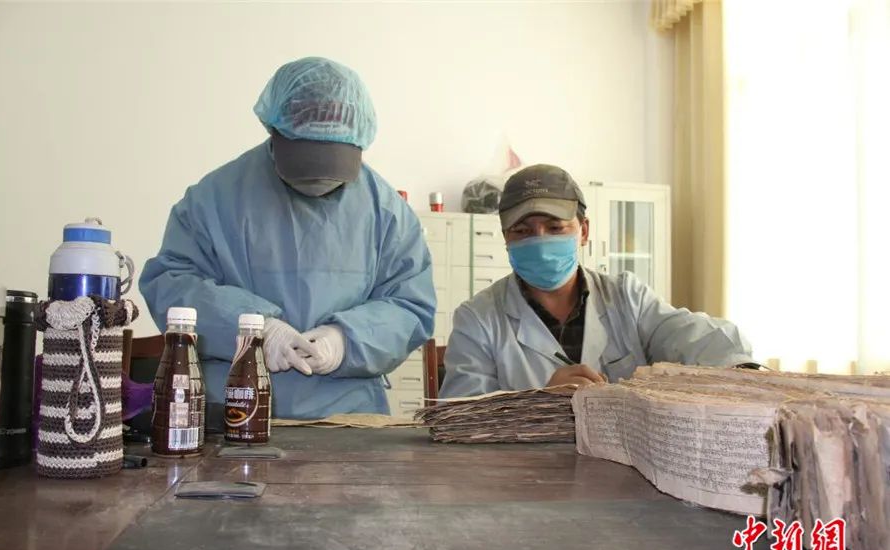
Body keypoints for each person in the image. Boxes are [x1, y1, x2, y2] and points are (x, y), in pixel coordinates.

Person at [140, 57, 436, 421]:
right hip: (234, 409)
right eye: (306, 158)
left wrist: (347, 340)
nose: (318, 177)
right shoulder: (214, 199)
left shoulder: (385, 210)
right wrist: (252, 329)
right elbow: (170, 284)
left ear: (358, 139)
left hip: (347, 419)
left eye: (332, 162)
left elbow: (410, 305)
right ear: (273, 129)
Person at [440, 164, 756, 398]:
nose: (540, 241)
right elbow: (459, 416)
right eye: (522, 231)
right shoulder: (478, 318)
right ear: (506, 239)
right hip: (523, 467)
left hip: (622, 464)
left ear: (584, 232)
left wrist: (740, 370)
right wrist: (538, 402)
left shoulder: (627, 297)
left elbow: (687, 334)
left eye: (555, 228)